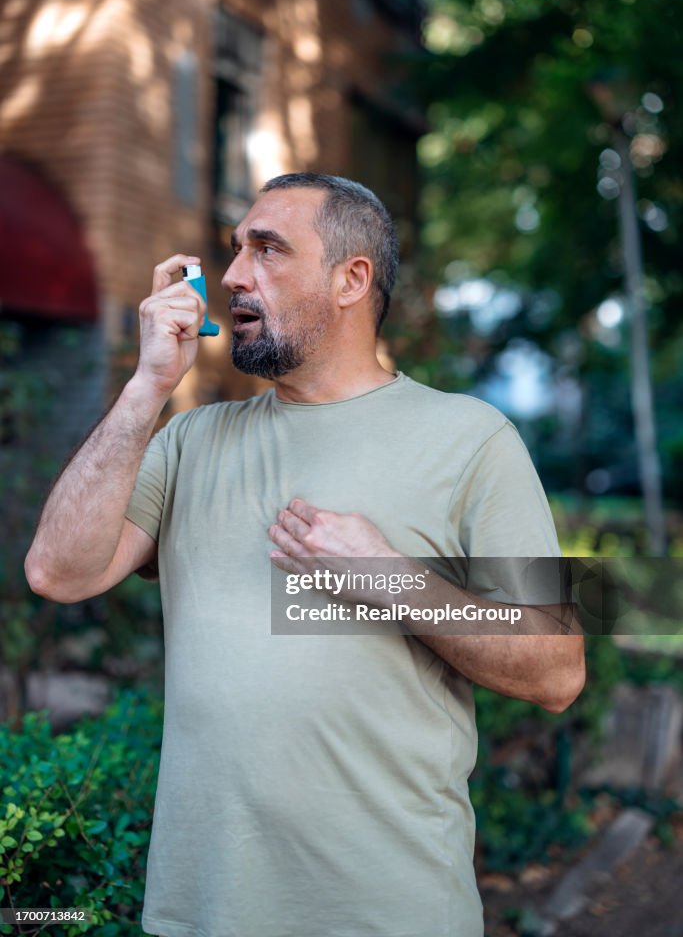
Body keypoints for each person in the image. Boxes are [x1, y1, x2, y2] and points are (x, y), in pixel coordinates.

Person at [26, 173, 585, 937]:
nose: (230, 276)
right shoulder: (192, 439)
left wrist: (386, 579)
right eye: (233, 251)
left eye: (267, 249)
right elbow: (58, 572)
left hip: (388, 912)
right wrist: (148, 386)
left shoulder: (471, 438)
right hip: (201, 910)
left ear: (351, 279)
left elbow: (557, 669)